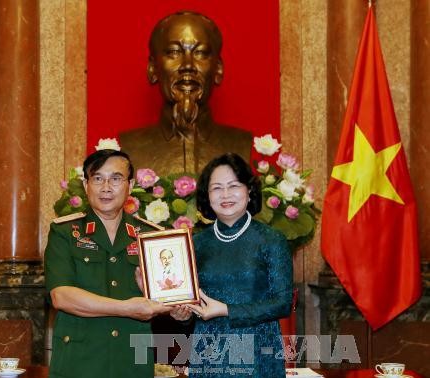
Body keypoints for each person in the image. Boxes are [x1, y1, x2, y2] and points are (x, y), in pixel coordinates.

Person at [44, 149, 171, 378]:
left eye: (115, 179)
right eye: (98, 178)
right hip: (80, 362)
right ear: (86, 185)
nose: (106, 187)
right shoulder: (65, 232)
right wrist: (127, 308)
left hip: (132, 363)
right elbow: (61, 296)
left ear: (130, 186)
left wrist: (175, 307)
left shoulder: (152, 236)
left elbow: (169, 296)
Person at [185, 153, 293, 377]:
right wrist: (181, 311)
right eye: (216, 188)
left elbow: (282, 303)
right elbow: (189, 299)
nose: (225, 195)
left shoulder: (271, 239)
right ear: (207, 195)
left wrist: (225, 310)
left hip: (257, 351)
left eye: (233, 186)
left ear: (249, 190)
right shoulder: (195, 244)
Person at [119, 11, 252, 176]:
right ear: (152, 68)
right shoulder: (128, 147)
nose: (188, 65)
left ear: (218, 69)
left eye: (200, 53)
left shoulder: (244, 145)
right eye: (174, 52)